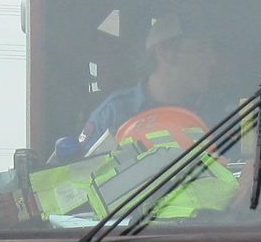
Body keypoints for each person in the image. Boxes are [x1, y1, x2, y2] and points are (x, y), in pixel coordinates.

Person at [51, 14, 224, 161]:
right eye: (201, 50)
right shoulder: (113, 113)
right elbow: (82, 181)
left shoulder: (218, 113)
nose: (213, 61)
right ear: (166, 53)